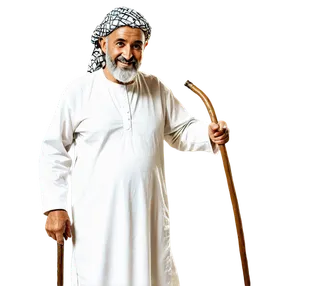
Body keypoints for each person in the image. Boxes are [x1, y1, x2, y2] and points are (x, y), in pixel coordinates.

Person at [39, 4, 231, 286]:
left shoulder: (155, 88)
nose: (128, 54)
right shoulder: (80, 93)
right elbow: (53, 150)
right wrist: (54, 207)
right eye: (120, 43)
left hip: (148, 216)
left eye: (136, 45)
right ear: (103, 44)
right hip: (97, 221)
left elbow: (181, 130)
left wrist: (208, 134)